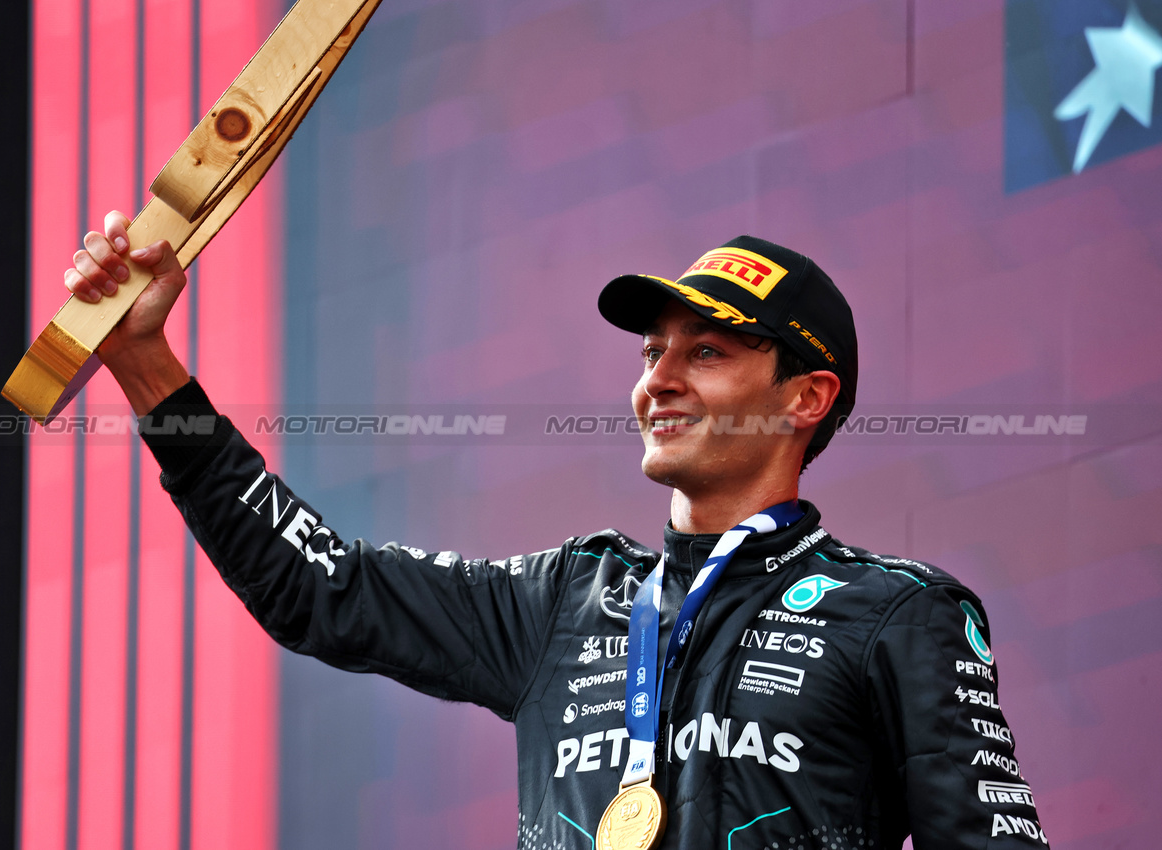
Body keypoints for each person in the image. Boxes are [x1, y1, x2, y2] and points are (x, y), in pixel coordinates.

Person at [67, 213, 1047, 849]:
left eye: (705, 352)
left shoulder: (898, 614)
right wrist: (150, 370)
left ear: (807, 396)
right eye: (651, 351)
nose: (657, 379)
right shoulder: (564, 601)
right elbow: (319, 588)